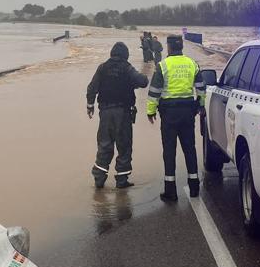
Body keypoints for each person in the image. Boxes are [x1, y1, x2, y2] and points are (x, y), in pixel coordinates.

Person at [146, 34, 206, 202]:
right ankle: (194, 187)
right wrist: (200, 105)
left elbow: (154, 92)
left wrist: (150, 111)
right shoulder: (192, 63)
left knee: (169, 151)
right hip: (188, 112)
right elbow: (201, 88)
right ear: (182, 47)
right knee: (190, 148)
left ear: (169, 47)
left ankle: (170, 191)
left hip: (169, 113)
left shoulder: (163, 65)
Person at [87, 42, 149, 189]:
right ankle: (121, 180)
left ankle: (99, 179)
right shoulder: (127, 68)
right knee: (124, 145)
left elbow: (92, 88)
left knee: (104, 145)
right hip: (123, 113)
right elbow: (143, 82)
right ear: (125, 55)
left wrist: (90, 105)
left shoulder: (102, 68)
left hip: (105, 113)